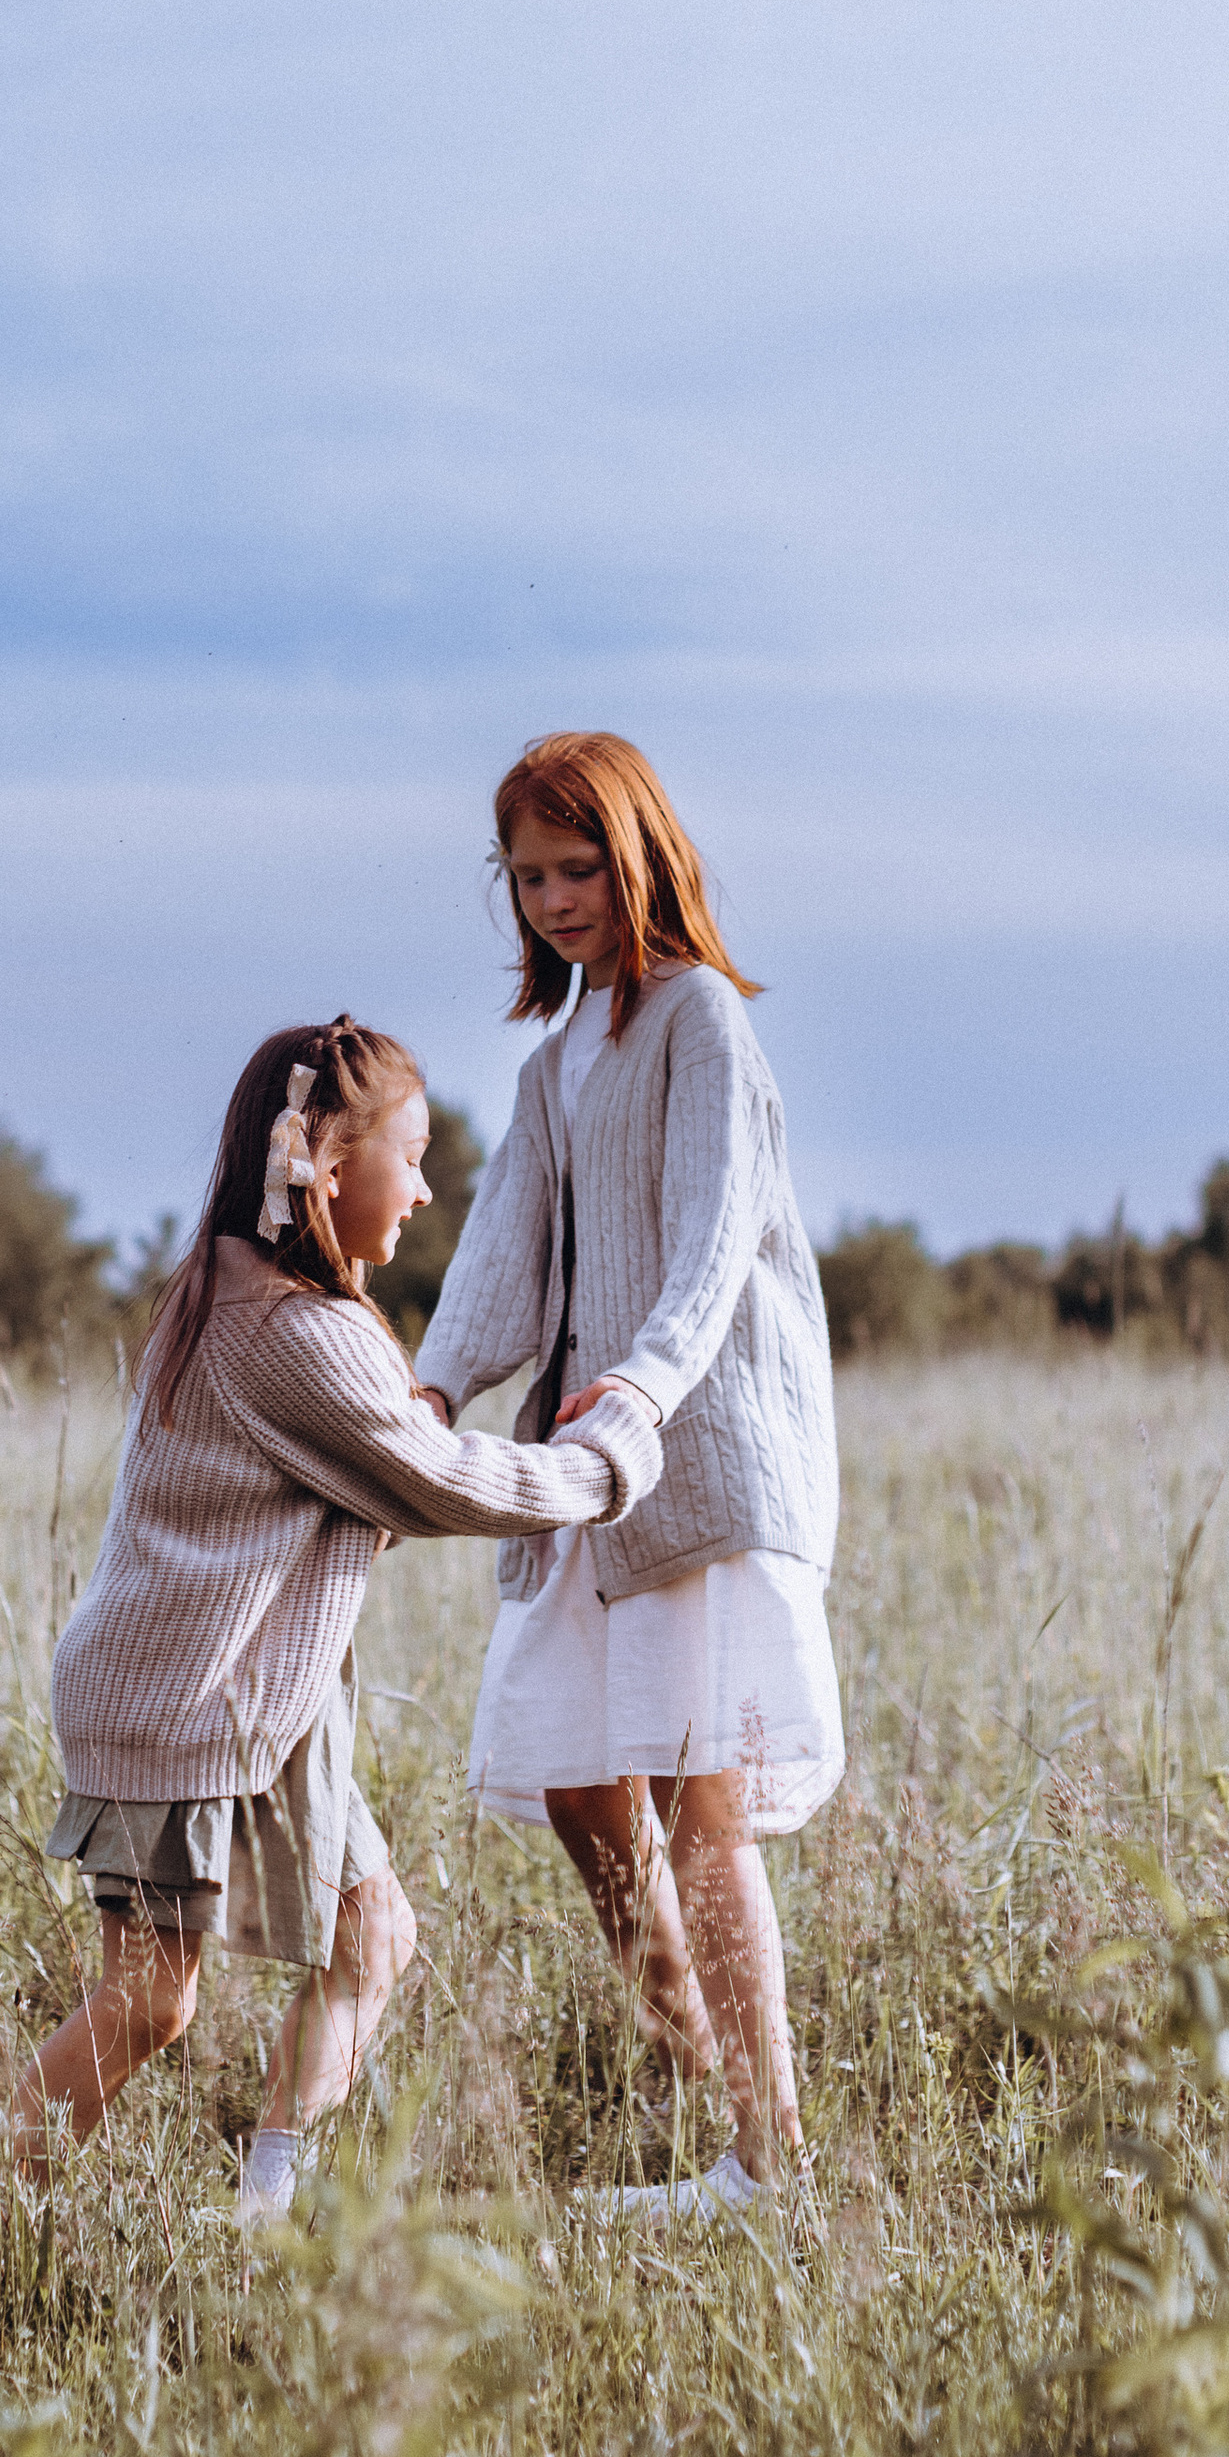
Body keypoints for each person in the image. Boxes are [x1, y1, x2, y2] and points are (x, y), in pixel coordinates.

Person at [7, 1012, 666, 2225]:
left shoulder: (240, 1287)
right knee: (153, 2002)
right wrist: (612, 1455)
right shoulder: (287, 1329)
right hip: (178, 1699)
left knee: (374, 1938)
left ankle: (265, 2207)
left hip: (260, 1700)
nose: (421, 1191)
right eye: (406, 1158)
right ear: (318, 1157)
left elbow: (379, 1477)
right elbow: (442, 1486)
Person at [413, 734, 842, 2220]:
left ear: (641, 853)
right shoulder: (555, 1065)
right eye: (528, 877)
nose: (555, 899)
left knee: (692, 1790)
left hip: (699, 1445)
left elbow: (717, 1238)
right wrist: (424, 1390)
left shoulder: (699, 1020)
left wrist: (647, 1392)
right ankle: (698, 2090)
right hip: (586, 1462)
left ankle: (766, 2157)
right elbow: (502, 1259)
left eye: (579, 866)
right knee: (587, 1786)